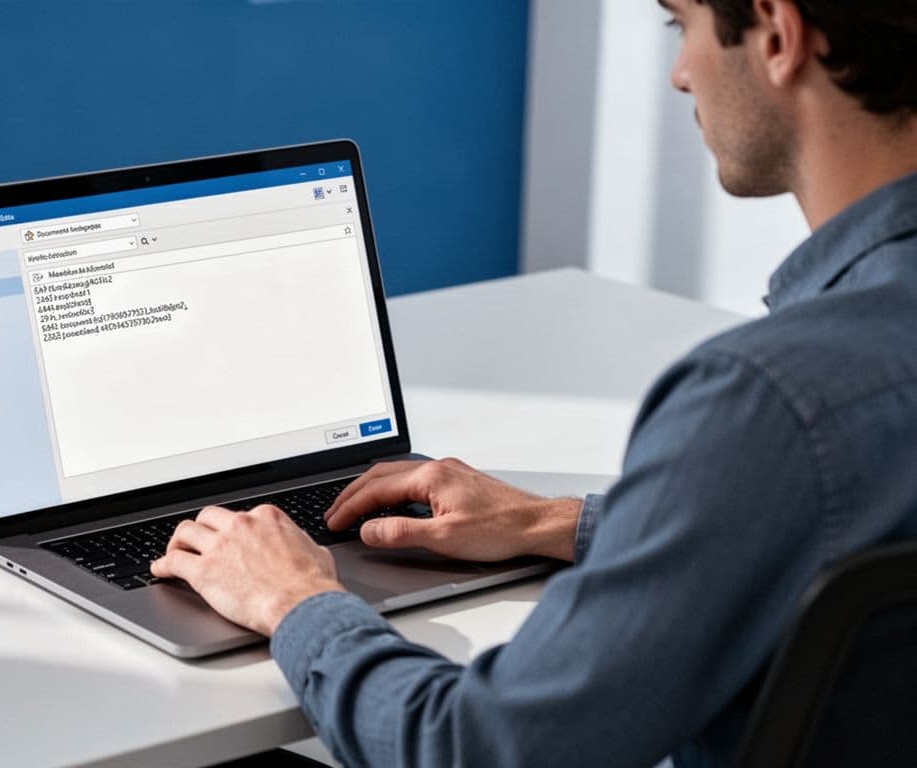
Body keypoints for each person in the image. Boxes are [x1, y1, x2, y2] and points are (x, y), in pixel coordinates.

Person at [151, 1, 917, 765]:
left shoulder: (769, 402)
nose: (681, 75)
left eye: (678, 25)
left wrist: (294, 600)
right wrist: (552, 523)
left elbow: (476, 749)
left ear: (778, 35)